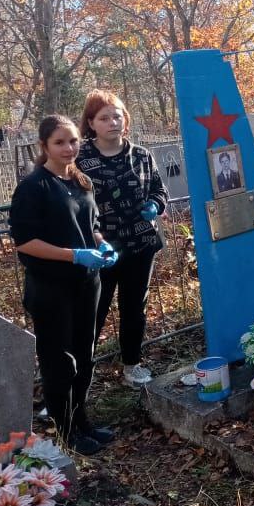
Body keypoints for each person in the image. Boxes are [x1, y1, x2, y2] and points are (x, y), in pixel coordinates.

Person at [9, 115, 120, 455]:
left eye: (73, 141)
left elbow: (92, 223)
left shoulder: (81, 180)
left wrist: (101, 244)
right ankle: (66, 430)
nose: (69, 148)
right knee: (60, 362)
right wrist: (74, 255)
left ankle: (83, 421)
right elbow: (25, 241)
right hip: (51, 288)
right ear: (44, 147)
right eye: (60, 142)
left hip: (87, 284)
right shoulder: (34, 187)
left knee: (85, 356)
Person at [76, 90, 167, 388]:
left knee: (133, 308)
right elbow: (72, 202)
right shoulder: (79, 158)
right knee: (92, 312)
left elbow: (158, 190)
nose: (112, 122)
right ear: (91, 123)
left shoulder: (141, 155)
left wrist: (155, 205)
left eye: (117, 116)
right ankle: (75, 378)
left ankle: (132, 365)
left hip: (140, 245)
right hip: (100, 250)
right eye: (104, 118)